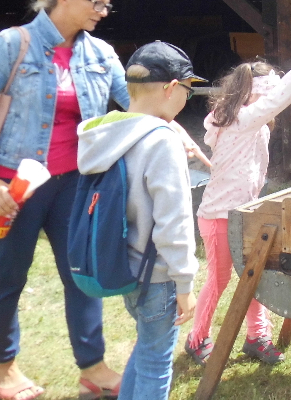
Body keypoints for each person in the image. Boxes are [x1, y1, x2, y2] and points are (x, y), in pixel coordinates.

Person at [0, 0, 127, 400]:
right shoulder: (12, 45)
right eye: (96, 2)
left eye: (106, 4)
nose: (102, 12)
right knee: (7, 275)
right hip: (14, 187)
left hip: (75, 184)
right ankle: (4, 370)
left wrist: (171, 112)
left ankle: (92, 367)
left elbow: (135, 106)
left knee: (81, 275)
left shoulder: (102, 55)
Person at [184, 38, 291, 365]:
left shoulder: (254, 127)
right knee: (219, 279)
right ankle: (196, 339)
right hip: (219, 217)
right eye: (265, 97)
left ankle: (256, 337)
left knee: (254, 275)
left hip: (244, 216)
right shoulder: (240, 121)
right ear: (250, 96)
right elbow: (273, 103)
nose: (269, 104)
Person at [77, 41, 203, 400]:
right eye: (187, 92)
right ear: (170, 88)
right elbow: (174, 220)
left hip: (124, 267)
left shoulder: (101, 133)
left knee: (146, 349)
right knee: (156, 363)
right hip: (159, 276)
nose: (184, 102)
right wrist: (185, 283)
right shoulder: (161, 141)